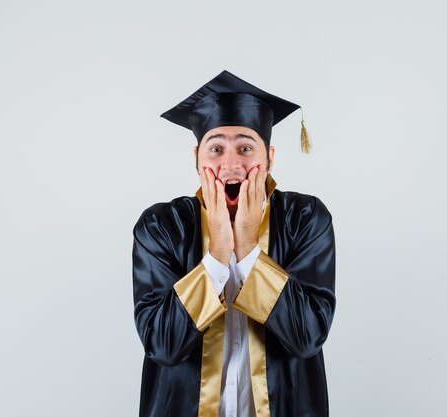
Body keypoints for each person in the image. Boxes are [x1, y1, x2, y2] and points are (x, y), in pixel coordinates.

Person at [132, 70, 336, 417]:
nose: (231, 164)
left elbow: (307, 336)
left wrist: (248, 249)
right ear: (197, 159)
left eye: (245, 147)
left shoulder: (305, 219)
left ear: (269, 157)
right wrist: (217, 255)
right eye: (216, 149)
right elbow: (162, 345)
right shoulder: (161, 227)